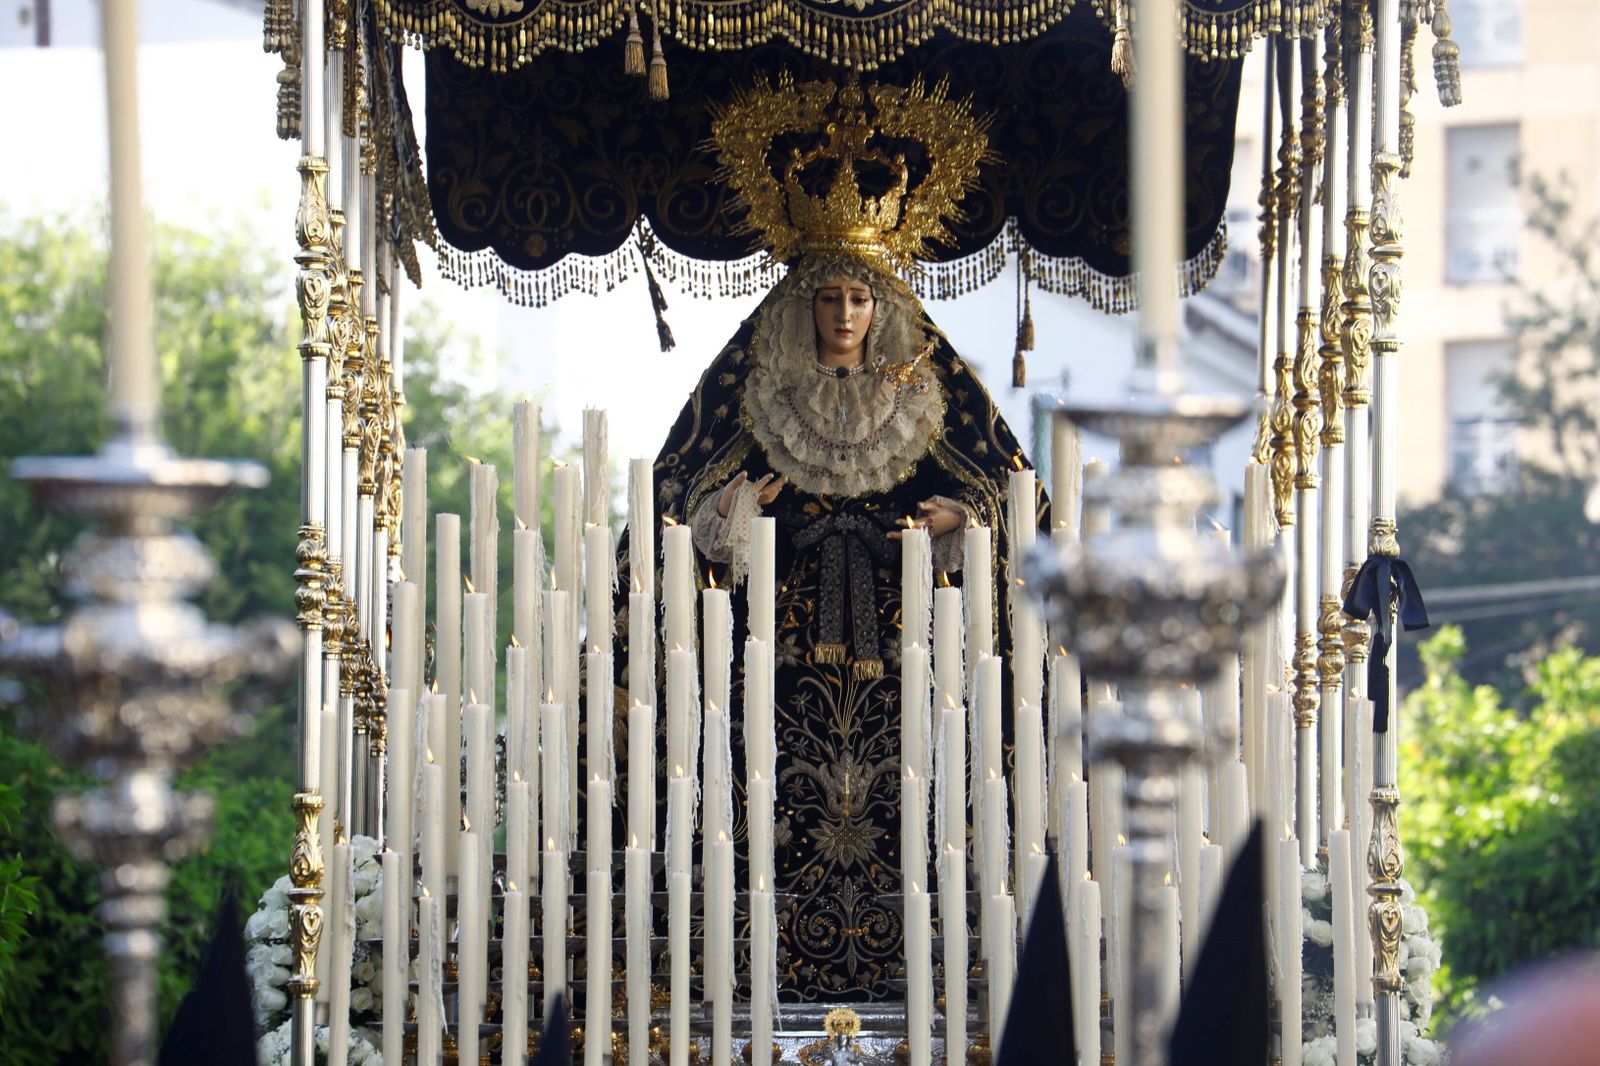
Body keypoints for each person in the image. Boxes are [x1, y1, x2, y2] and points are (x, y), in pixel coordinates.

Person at [615, 73, 1047, 1002]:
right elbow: (668, 509)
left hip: (913, 675)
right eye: (830, 299)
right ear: (803, 306)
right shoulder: (751, 394)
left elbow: (1016, 504)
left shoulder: (932, 398)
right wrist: (728, 519)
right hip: (768, 672)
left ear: (879, 307)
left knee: (919, 820)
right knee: (761, 820)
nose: (846, 314)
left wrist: (959, 527)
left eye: (860, 297)